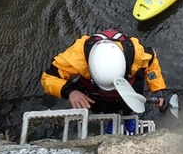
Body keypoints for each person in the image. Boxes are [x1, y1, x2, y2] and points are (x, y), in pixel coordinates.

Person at [40, 29, 168, 133]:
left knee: (129, 105)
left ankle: (129, 115)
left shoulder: (135, 53)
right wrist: (70, 91)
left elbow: (151, 64)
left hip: (129, 88)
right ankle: (112, 116)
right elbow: (48, 78)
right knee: (105, 107)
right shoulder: (77, 56)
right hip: (97, 94)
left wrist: (157, 89)